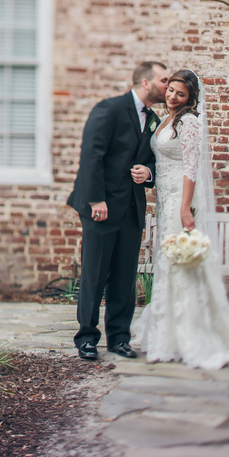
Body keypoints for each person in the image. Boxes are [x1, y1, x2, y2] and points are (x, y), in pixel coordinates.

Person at [131, 69, 229, 370]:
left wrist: (184, 208)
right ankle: (165, 331)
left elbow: (191, 168)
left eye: (180, 94)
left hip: (181, 201)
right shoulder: (166, 120)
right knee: (166, 262)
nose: (172, 97)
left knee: (180, 263)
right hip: (165, 196)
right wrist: (150, 174)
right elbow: (162, 158)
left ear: (190, 99)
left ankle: (187, 334)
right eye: (170, 90)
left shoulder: (190, 122)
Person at [67, 61, 169, 360]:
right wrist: (96, 200)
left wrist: (147, 173)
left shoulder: (154, 119)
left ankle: (119, 338)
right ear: (146, 83)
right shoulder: (108, 109)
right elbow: (91, 155)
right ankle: (86, 337)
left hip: (132, 209)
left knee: (124, 277)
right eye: (164, 80)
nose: (168, 85)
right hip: (102, 206)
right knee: (94, 274)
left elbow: (153, 159)